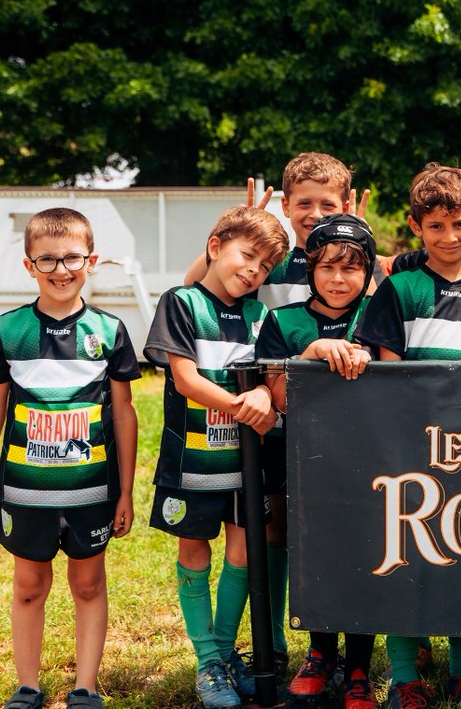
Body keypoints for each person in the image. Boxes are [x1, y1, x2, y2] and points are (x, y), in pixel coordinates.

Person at [0, 208, 140, 709]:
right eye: (48, 260)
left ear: (92, 260)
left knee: (88, 584)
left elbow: (125, 414)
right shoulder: (9, 328)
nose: (61, 270)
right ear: (28, 266)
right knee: (28, 584)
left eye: (72, 258)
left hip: (92, 492)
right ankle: (28, 686)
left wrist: (126, 491)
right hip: (26, 491)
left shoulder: (110, 330)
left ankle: (85, 687)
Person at [355, 164, 461, 709]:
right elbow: (387, 377)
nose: (450, 238)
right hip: (410, 453)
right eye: (436, 226)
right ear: (416, 226)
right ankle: (404, 677)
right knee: (406, 559)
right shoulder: (399, 289)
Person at [144, 205, 288, 708]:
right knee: (194, 555)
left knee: (244, 556)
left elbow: (271, 380)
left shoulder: (261, 315)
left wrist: (267, 398)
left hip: (247, 465)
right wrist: (245, 407)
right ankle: (206, 660)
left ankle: (223, 656)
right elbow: (185, 380)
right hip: (191, 464)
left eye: (265, 267)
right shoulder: (181, 302)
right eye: (246, 256)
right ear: (215, 246)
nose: (253, 270)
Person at [256, 214, 378, 709]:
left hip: (370, 464)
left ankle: (359, 667)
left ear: (368, 273)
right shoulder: (283, 321)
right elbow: (278, 396)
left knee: (367, 559)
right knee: (315, 560)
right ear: (309, 268)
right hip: (301, 464)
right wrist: (310, 352)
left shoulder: (378, 316)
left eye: (351, 269)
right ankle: (320, 653)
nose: (337, 279)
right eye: (326, 267)